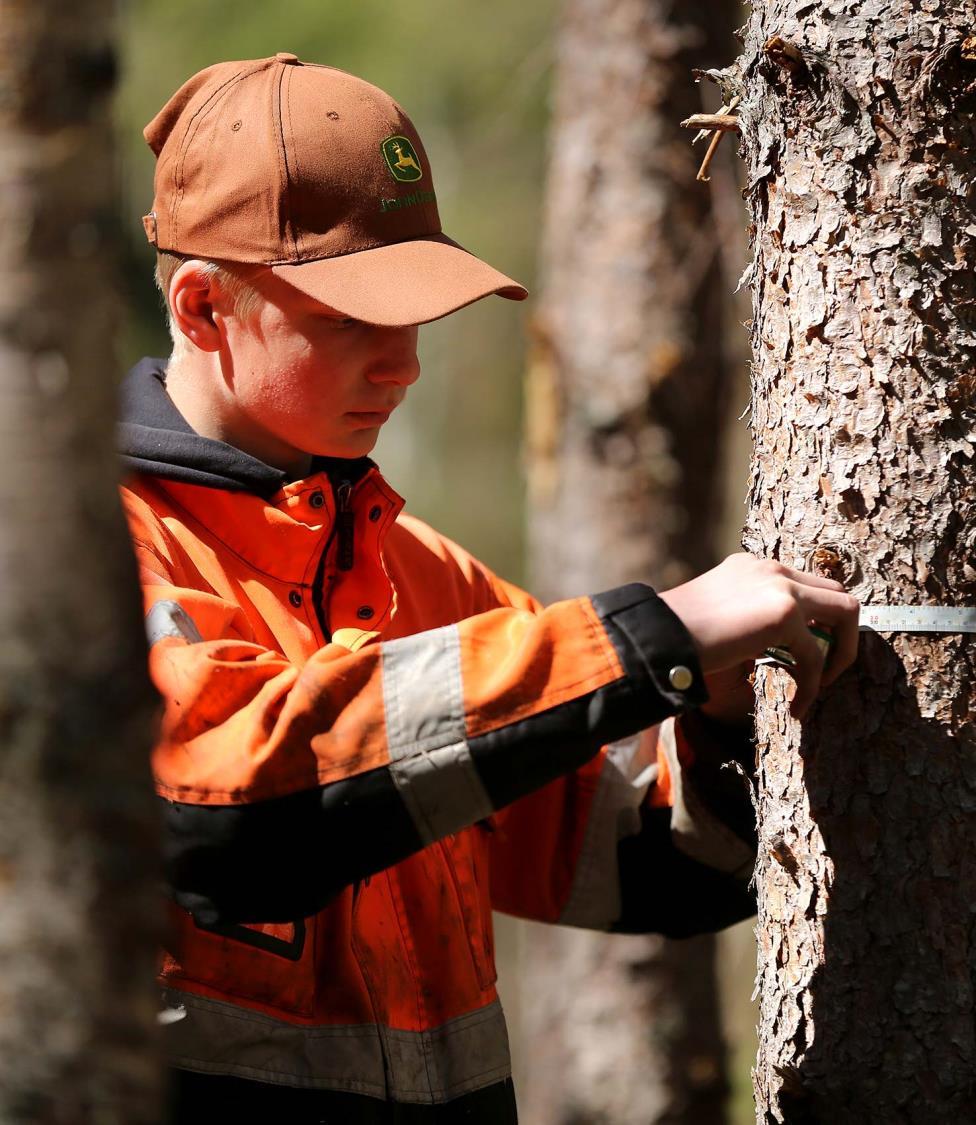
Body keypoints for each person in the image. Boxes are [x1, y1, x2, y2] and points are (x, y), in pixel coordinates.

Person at [119, 53, 860, 1124]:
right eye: (348, 320)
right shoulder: (90, 558)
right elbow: (233, 822)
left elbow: (645, 864)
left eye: (414, 315)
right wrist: (657, 632)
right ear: (201, 309)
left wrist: (718, 713)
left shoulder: (417, 571)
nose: (404, 364)